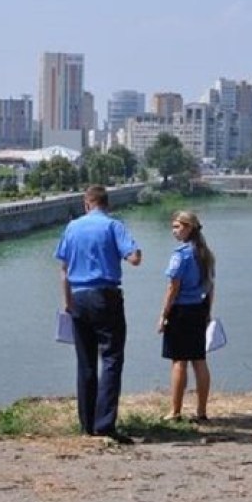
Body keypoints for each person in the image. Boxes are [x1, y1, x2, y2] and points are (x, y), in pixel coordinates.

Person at [55, 185, 142, 443]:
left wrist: (67, 302)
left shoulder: (72, 228)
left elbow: (63, 268)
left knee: (86, 362)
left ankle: (87, 424)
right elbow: (134, 258)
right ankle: (105, 423)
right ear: (107, 204)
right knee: (112, 359)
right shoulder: (114, 226)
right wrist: (135, 252)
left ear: (87, 203)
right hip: (105, 296)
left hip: (78, 297)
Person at [156, 210, 215, 422]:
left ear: (189, 228)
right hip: (199, 308)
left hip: (181, 311)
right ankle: (201, 411)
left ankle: (176, 410)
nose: (174, 231)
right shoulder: (205, 254)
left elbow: (173, 286)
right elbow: (210, 286)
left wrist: (164, 314)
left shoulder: (180, 255)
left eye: (177, 227)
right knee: (199, 359)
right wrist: (208, 311)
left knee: (179, 361)